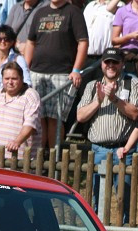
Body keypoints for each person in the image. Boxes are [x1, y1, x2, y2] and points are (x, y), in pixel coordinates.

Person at [76, 47, 138, 212]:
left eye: (115, 62)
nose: (111, 65)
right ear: (101, 64)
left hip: (123, 151)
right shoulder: (93, 86)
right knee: (97, 199)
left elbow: (136, 114)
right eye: (107, 62)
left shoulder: (132, 82)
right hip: (98, 150)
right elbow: (80, 116)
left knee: (125, 199)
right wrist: (97, 102)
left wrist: (114, 98)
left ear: (122, 64)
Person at [25, 0, 89, 147]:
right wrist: (25, 67)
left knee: (55, 119)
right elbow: (30, 42)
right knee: (38, 118)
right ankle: (39, 158)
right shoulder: (40, 12)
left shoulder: (73, 11)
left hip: (62, 73)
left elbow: (83, 42)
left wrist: (76, 70)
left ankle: (54, 160)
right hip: (36, 72)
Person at [0, 25, 30, 94]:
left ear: (12, 42)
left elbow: (27, 83)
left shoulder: (19, 60)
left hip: (13, 99)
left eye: (6, 39)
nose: (2, 41)